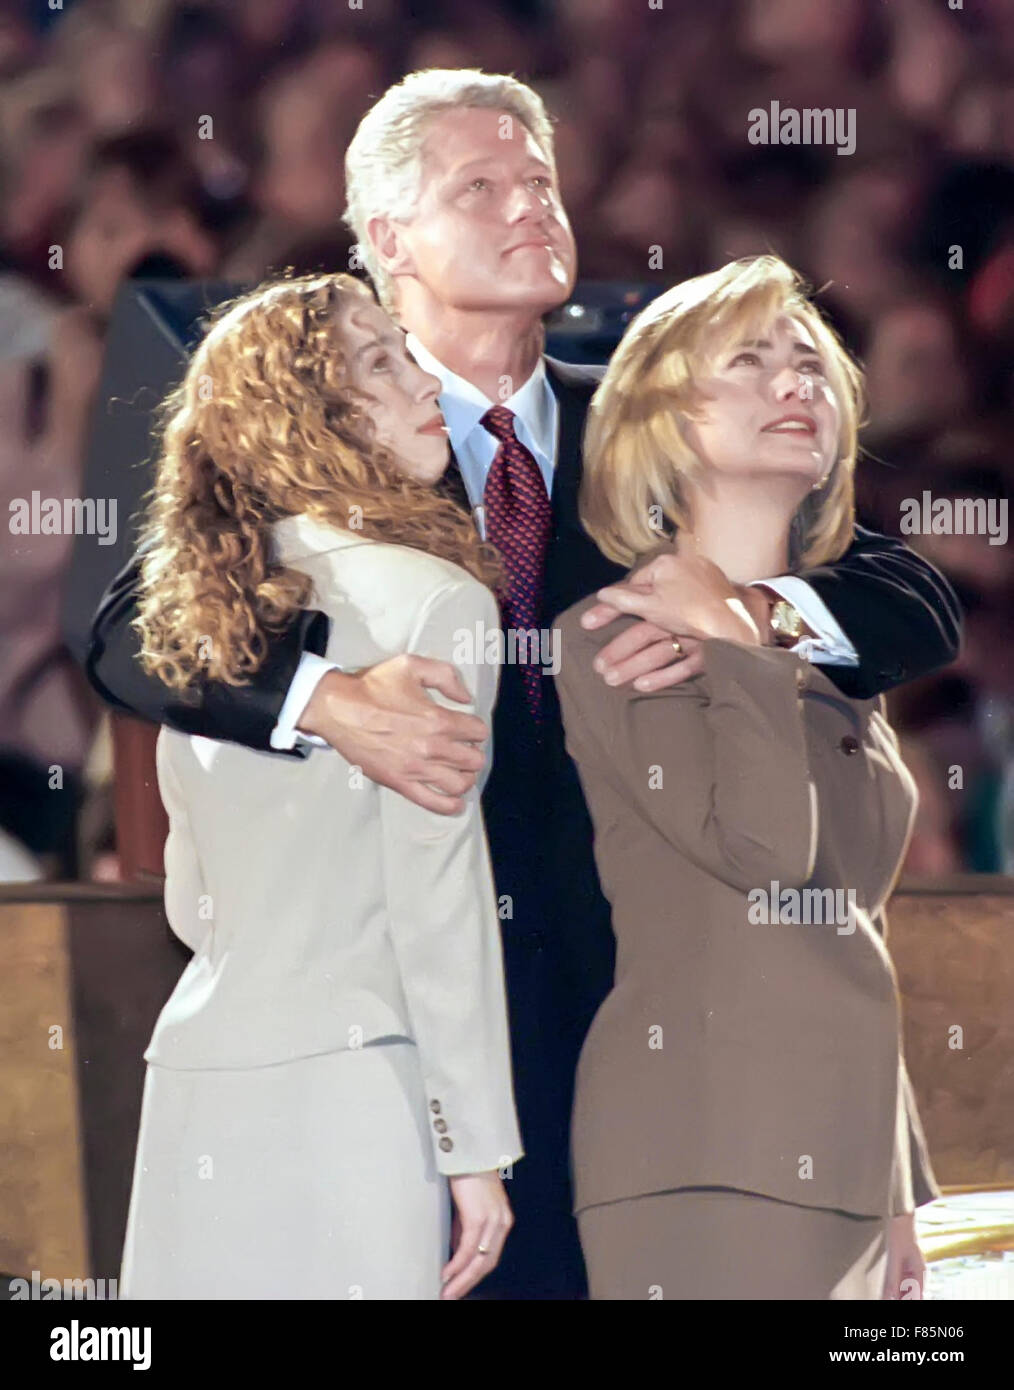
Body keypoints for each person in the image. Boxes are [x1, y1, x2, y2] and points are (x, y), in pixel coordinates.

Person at [89, 70, 961, 1300]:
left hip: (631, 1016)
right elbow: (129, 625)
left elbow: (912, 601)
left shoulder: (642, 432)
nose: (529, 206)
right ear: (387, 239)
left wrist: (749, 610)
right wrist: (327, 703)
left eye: (541, 180)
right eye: (480, 186)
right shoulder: (323, 446)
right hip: (394, 1025)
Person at [119, 273, 521, 1300]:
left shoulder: (202, 620)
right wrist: (474, 1143)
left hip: (198, 1075)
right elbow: (437, 898)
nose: (425, 378)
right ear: (310, 415)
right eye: (380, 361)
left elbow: (188, 894)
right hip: (357, 1089)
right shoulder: (439, 599)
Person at [555, 255, 940, 1300]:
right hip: (705, 1145)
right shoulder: (610, 636)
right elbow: (769, 850)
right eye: (752, 361)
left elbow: (850, 922)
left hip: (844, 1165)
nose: (796, 384)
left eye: (811, 365)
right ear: (664, 421)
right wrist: (735, 642)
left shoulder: (825, 646)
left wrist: (896, 1187)